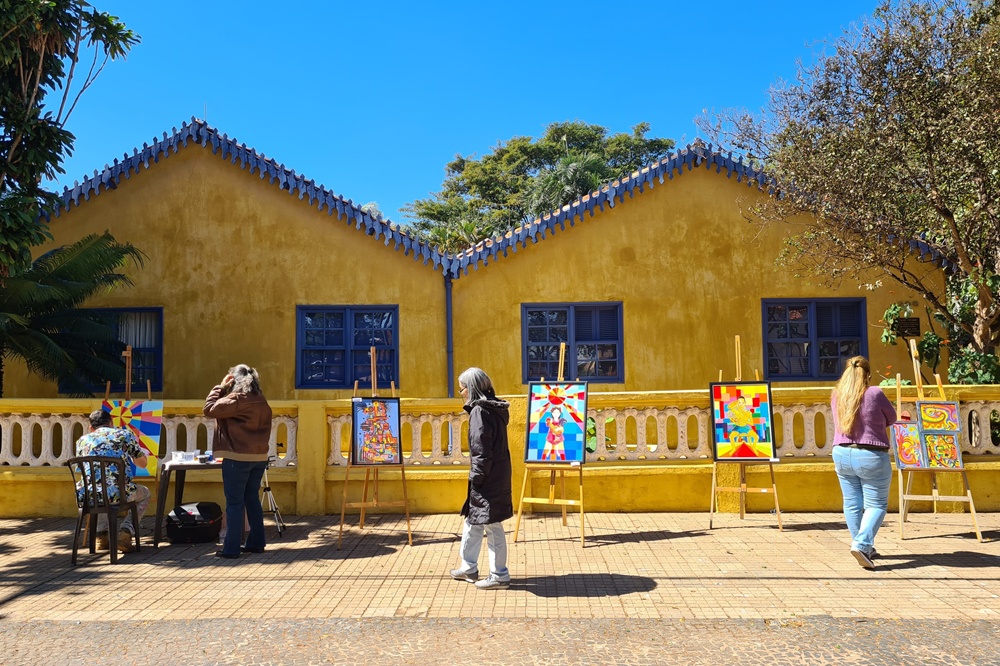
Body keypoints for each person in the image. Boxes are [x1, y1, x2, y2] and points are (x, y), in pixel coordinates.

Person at [831, 356, 897, 570]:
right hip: (871, 454)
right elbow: (892, 418)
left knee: (851, 503)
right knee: (876, 504)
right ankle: (861, 544)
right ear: (867, 375)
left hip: (841, 453)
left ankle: (863, 546)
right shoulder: (874, 393)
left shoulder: (837, 394)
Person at [450, 367, 513, 590]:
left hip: (488, 476)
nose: (462, 393)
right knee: (472, 519)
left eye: (463, 388)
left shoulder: (480, 412)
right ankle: (469, 567)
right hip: (496, 472)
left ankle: (499, 575)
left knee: (491, 524)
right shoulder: (494, 410)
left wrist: (477, 476)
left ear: (472, 388)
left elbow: (480, 448)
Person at [204, 364, 273, 559]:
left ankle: (231, 548)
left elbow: (209, 409)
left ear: (234, 380)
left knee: (234, 503)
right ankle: (257, 543)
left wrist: (219, 387)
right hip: (259, 457)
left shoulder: (236, 399)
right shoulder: (261, 400)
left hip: (237, 457)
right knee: (252, 499)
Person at [75, 409, 150, 553]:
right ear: (111, 423)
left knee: (100, 488)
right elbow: (142, 463)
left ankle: (101, 536)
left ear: (91, 428)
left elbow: (81, 468)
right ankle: (126, 533)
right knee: (145, 494)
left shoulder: (82, 441)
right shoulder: (124, 435)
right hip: (119, 493)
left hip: (88, 496)